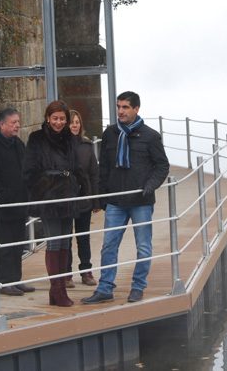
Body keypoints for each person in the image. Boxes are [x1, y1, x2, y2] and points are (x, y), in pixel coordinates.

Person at [81, 91, 169, 305]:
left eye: (125, 107)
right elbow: (104, 167)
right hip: (116, 201)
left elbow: (162, 166)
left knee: (143, 247)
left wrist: (149, 187)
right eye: (118, 107)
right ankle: (105, 288)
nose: (120, 111)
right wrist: (102, 197)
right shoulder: (110, 133)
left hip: (141, 201)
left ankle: (138, 287)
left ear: (136, 109)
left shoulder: (151, 136)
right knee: (109, 245)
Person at [23, 100, 79, 307]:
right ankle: (57, 290)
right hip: (48, 196)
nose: (58, 122)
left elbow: (76, 166)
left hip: (68, 195)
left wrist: (78, 189)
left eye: (62, 119)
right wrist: (46, 187)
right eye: (54, 118)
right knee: (54, 242)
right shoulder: (36, 139)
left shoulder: (70, 138)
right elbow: (29, 170)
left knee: (65, 243)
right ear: (47, 118)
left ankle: (58, 291)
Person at [0, 108, 35, 296]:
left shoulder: (18, 144)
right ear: (1, 124)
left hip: (19, 204)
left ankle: (16, 279)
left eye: (18, 122)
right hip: (3, 207)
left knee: (18, 244)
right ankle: (4, 282)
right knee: (5, 245)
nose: (17, 126)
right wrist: (5, 197)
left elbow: (27, 169)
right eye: (13, 122)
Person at [65, 110, 100, 288]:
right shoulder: (60, 146)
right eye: (71, 122)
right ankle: (67, 275)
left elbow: (94, 173)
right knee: (65, 237)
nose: (75, 125)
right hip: (65, 198)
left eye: (77, 122)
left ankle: (86, 271)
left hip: (83, 197)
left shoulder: (87, 146)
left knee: (83, 237)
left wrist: (95, 201)